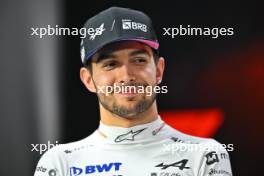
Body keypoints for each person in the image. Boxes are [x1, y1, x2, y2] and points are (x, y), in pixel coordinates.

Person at [34, 7, 233, 176]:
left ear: (159, 70)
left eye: (138, 61)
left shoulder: (205, 155)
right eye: (111, 64)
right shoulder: (59, 163)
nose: (127, 75)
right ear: (88, 80)